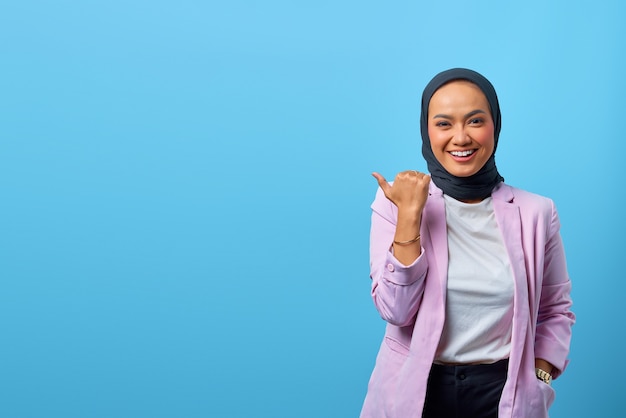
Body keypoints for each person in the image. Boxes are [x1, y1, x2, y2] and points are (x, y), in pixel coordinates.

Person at [360, 68, 574, 418]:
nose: (460, 137)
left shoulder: (537, 212)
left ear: (495, 126)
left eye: (475, 121)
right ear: (426, 130)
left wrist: (541, 371)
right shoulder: (395, 203)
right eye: (444, 124)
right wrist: (410, 217)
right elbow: (395, 311)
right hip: (417, 390)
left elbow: (554, 308)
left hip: (502, 393)